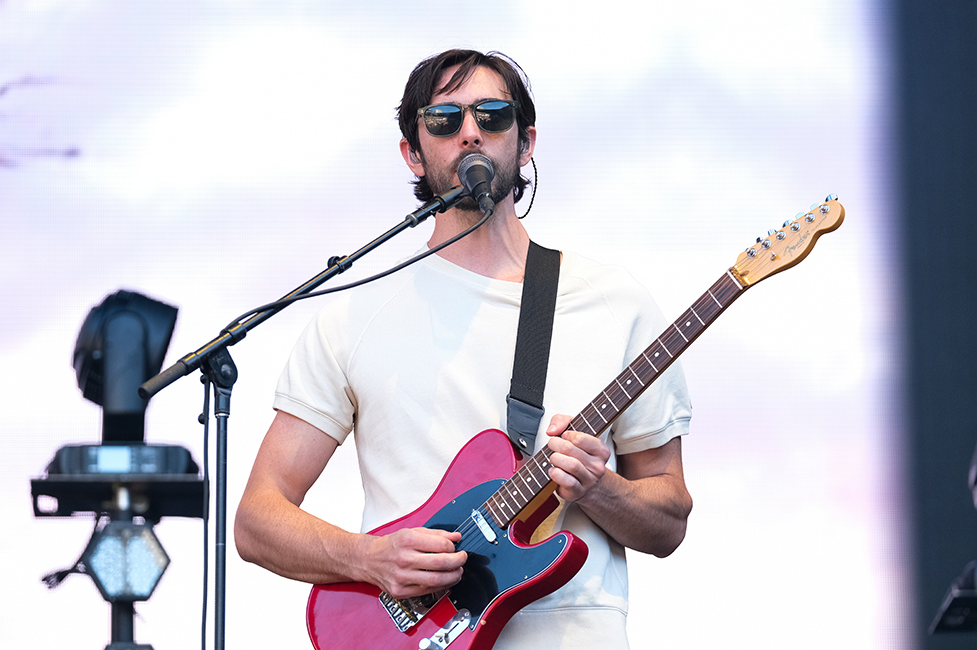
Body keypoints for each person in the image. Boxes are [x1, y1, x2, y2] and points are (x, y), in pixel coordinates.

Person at [234, 49, 693, 649]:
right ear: (412, 152)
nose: (470, 131)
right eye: (444, 120)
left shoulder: (612, 301)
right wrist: (369, 558)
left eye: (493, 114)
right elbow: (257, 519)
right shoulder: (353, 317)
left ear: (526, 141)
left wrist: (601, 488)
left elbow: (668, 520)